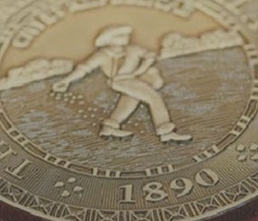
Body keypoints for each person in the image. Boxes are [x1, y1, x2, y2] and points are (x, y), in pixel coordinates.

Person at [53, 25, 192, 143]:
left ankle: (110, 127)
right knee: (153, 97)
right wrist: (65, 81)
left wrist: (139, 71)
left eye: (125, 35)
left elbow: (150, 56)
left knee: (130, 100)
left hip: (132, 79)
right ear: (108, 40)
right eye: (119, 36)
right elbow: (83, 69)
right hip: (120, 81)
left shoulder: (133, 49)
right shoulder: (102, 55)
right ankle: (166, 132)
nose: (125, 38)